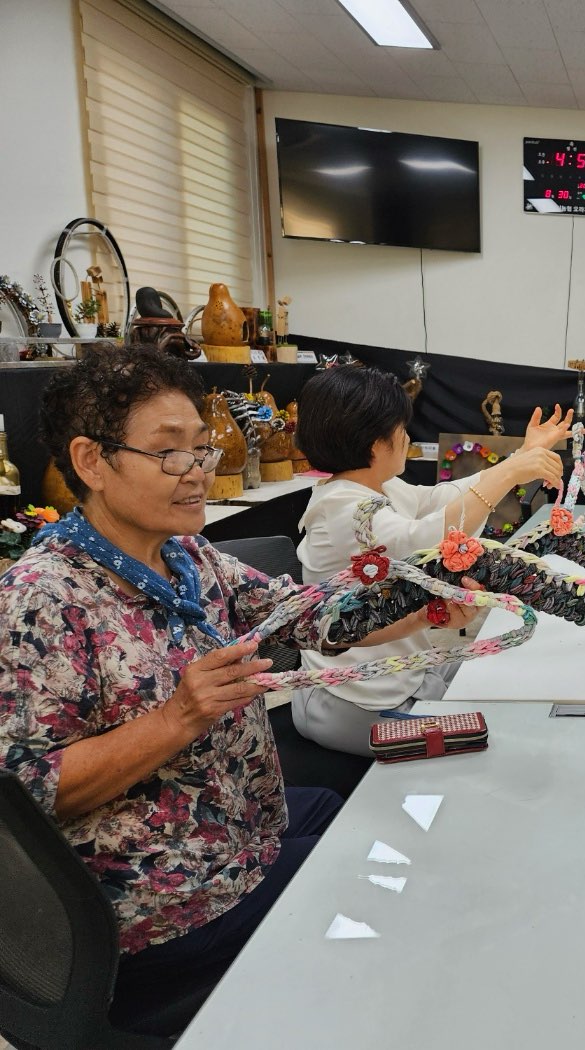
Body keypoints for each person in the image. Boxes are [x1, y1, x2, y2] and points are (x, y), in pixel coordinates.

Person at [0, 347, 440, 1035]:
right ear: (91, 461)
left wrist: (426, 605)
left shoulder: (184, 555)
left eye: (202, 449)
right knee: (383, 885)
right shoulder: (42, 600)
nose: (200, 471)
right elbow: (25, 798)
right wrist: (180, 716)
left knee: (363, 821)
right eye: (171, 453)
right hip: (157, 894)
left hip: (231, 824)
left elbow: (304, 616)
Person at [293, 365, 571, 755]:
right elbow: (431, 538)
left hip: (405, 674)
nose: (407, 438)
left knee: (507, 684)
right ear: (375, 445)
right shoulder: (343, 508)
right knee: (497, 741)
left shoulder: (376, 486)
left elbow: (439, 501)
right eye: (401, 430)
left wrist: (522, 457)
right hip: (356, 701)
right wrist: (510, 471)